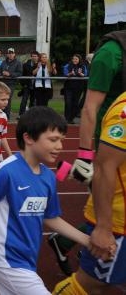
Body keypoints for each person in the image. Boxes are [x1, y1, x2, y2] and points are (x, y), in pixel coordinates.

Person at [0, 106, 90, 294]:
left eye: (61, 140)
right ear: (28, 138)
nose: (60, 146)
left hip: (27, 259)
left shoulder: (47, 177)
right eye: (53, 140)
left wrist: (86, 240)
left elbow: (50, 217)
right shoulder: (6, 171)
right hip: (5, 259)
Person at [48, 31, 124, 276]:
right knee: (107, 207)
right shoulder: (111, 53)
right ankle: (71, 244)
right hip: (112, 145)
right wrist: (84, 155)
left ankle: (66, 241)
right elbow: (90, 108)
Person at [52, 92, 125, 294]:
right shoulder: (124, 110)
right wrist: (103, 228)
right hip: (120, 225)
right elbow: (104, 167)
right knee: (90, 284)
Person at [0, 47, 22, 120]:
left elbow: (19, 73)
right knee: (1, 99)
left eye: (12, 53)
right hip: (2, 83)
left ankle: (7, 117)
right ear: (7, 54)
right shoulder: (4, 62)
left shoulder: (18, 63)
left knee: (7, 100)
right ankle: (1, 116)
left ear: (14, 54)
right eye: (9, 53)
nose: (10, 55)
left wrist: (9, 74)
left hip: (11, 84)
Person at [62, 54, 88, 124]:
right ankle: (67, 118)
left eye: (76, 59)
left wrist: (80, 74)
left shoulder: (83, 66)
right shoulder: (68, 65)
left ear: (79, 60)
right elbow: (65, 73)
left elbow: (85, 75)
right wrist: (70, 73)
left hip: (78, 88)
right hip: (69, 87)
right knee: (68, 102)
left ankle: (71, 118)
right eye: (73, 59)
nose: (74, 60)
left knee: (75, 103)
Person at [19, 51, 39, 118]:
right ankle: (21, 114)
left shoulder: (40, 64)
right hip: (27, 85)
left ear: (38, 57)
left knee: (33, 100)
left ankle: (31, 115)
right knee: (24, 100)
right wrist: (38, 67)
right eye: (33, 56)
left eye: (35, 56)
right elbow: (31, 73)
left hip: (35, 85)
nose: (34, 58)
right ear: (31, 57)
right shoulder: (26, 65)